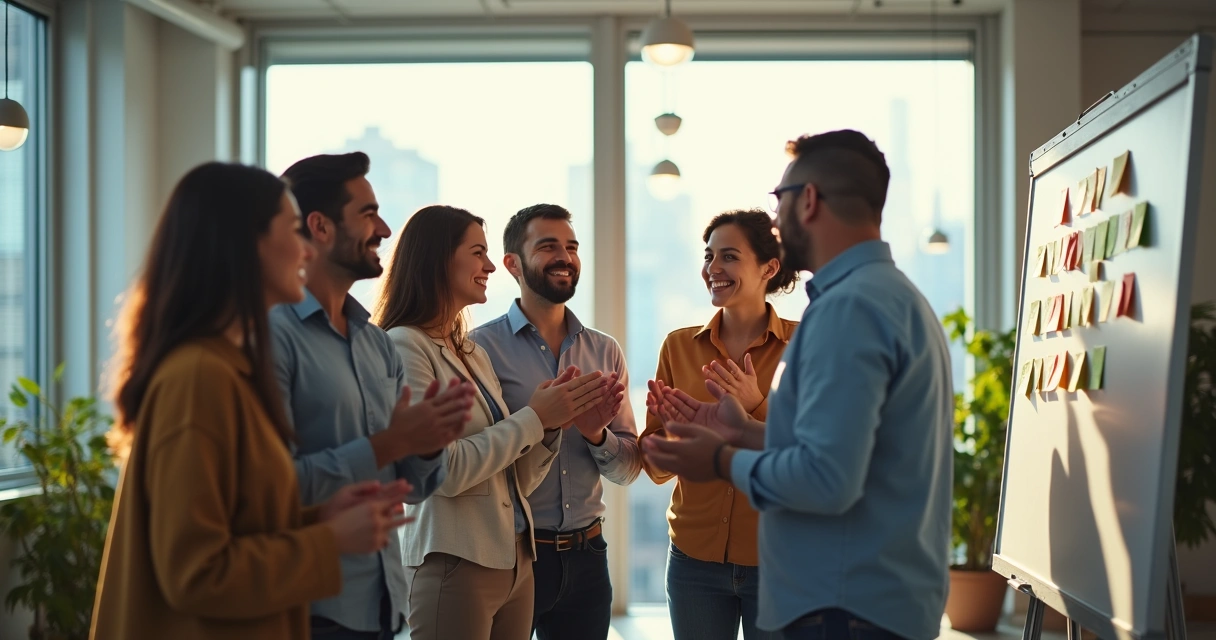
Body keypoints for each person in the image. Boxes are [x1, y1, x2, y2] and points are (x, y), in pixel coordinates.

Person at [643, 130, 954, 640]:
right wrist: (741, 431)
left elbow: (827, 479)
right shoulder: (889, 296)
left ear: (807, 200)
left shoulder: (848, 309)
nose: (777, 218)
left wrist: (720, 461)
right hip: (870, 604)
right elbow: (849, 451)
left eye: (778, 199)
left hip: (847, 610)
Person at [91, 162, 414, 640]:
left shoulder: (227, 367)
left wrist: (316, 517)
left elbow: (236, 518)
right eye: (291, 230)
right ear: (245, 246)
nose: (307, 248)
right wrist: (327, 541)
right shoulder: (199, 377)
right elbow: (196, 573)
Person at [375, 205, 613, 640]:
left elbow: (511, 477)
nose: (488, 266)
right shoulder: (403, 347)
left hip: (514, 562)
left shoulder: (469, 352)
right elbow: (440, 471)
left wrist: (552, 426)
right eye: (478, 253)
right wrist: (535, 417)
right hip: (456, 561)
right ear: (438, 260)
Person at [271, 153, 475, 640]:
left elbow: (417, 487)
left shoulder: (375, 342)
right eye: (367, 214)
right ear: (319, 227)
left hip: (385, 607)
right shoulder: (272, 338)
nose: (384, 229)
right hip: (309, 610)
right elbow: (267, 490)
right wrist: (388, 444)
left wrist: (424, 444)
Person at [470, 204, 639, 640]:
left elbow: (628, 470)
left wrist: (596, 435)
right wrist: (541, 422)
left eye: (572, 246)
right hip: (513, 555)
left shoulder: (605, 351)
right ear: (512, 263)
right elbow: (475, 462)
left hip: (589, 559)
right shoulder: (477, 350)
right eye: (548, 246)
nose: (565, 256)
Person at [636, 208, 798, 640]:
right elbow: (655, 468)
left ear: (769, 267)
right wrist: (674, 434)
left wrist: (755, 407)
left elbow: (812, 454)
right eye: (708, 256)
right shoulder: (678, 347)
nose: (713, 269)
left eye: (729, 256)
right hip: (693, 561)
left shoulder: (805, 344)